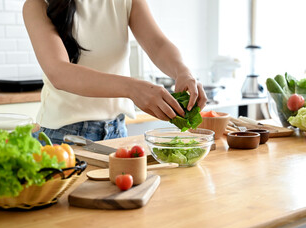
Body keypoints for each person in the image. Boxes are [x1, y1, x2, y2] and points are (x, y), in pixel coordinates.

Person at [23, 0, 207, 145]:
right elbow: (59, 72)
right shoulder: (37, 5)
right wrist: (132, 88)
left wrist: (183, 71)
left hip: (117, 131)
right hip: (62, 138)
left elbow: (157, 45)